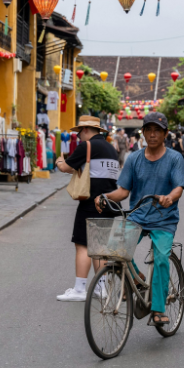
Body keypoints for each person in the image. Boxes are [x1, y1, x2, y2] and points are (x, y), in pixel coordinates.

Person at [94, 112, 184, 326]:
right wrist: (104, 197)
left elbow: (179, 188)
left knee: (161, 257)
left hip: (164, 218)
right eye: (149, 130)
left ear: (165, 134)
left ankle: (158, 308)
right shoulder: (134, 158)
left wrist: (169, 197)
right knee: (114, 247)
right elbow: (123, 192)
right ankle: (137, 278)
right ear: (143, 132)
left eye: (157, 130)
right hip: (138, 214)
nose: (153, 134)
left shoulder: (174, 158)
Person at [54, 116, 120, 302]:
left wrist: (60, 162)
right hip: (109, 202)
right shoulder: (111, 149)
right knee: (100, 247)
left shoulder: (87, 146)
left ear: (85, 130)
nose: (78, 136)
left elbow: (67, 167)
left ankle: (79, 289)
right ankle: (102, 288)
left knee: (83, 245)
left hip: (91, 202)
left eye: (79, 132)